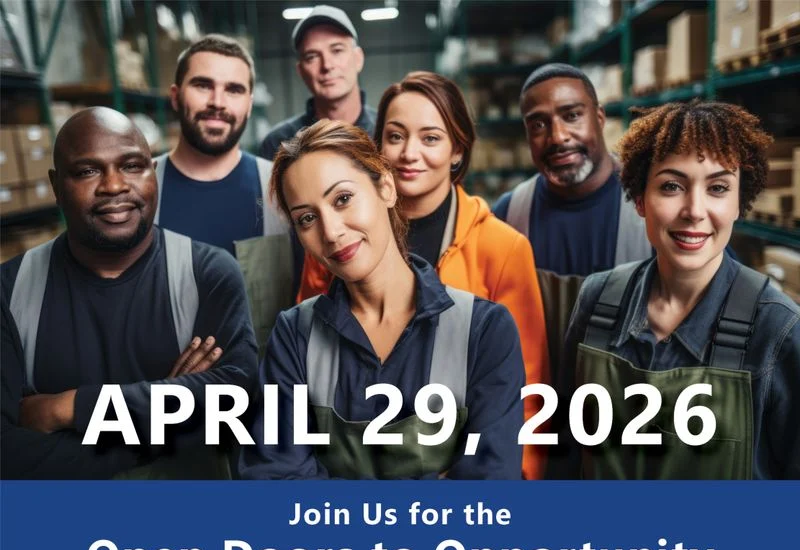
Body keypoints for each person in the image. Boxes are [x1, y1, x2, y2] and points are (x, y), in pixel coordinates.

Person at [297, 71, 549, 479]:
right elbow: (307, 362)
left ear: (457, 150)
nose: (409, 153)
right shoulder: (336, 239)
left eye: (430, 138)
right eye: (395, 136)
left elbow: (528, 393)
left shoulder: (502, 248)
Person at [239, 120, 525, 480]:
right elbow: (275, 482)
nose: (331, 232)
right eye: (307, 218)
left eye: (342, 199)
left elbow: (488, 493)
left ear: (386, 187)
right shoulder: (294, 336)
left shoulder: (484, 331)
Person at [1, 107, 258, 479]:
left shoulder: (206, 274)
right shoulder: (11, 290)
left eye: (132, 165)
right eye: (88, 171)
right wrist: (170, 411)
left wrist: (70, 408)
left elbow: (236, 400)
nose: (114, 186)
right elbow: (7, 454)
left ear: (154, 172)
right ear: (56, 186)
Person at [560, 100, 800, 479]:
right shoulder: (597, 302)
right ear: (640, 199)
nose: (694, 210)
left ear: (740, 203)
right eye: (671, 186)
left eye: (718, 188)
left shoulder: (777, 331)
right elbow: (565, 458)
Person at [154, 35, 292, 354]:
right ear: (176, 96)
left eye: (234, 89)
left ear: (248, 101)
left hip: (265, 390)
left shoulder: (281, 186)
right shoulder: (138, 189)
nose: (218, 101)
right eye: (203, 85)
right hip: (163, 391)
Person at [494, 63, 651, 277]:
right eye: (538, 125)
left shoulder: (652, 205)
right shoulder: (507, 215)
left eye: (572, 116)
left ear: (599, 118)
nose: (558, 136)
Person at [258, 5, 376, 161]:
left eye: (337, 50)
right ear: (301, 71)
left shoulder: (386, 132)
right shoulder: (278, 143)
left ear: (358, 59)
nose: (327, 65)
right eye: (312, 56)